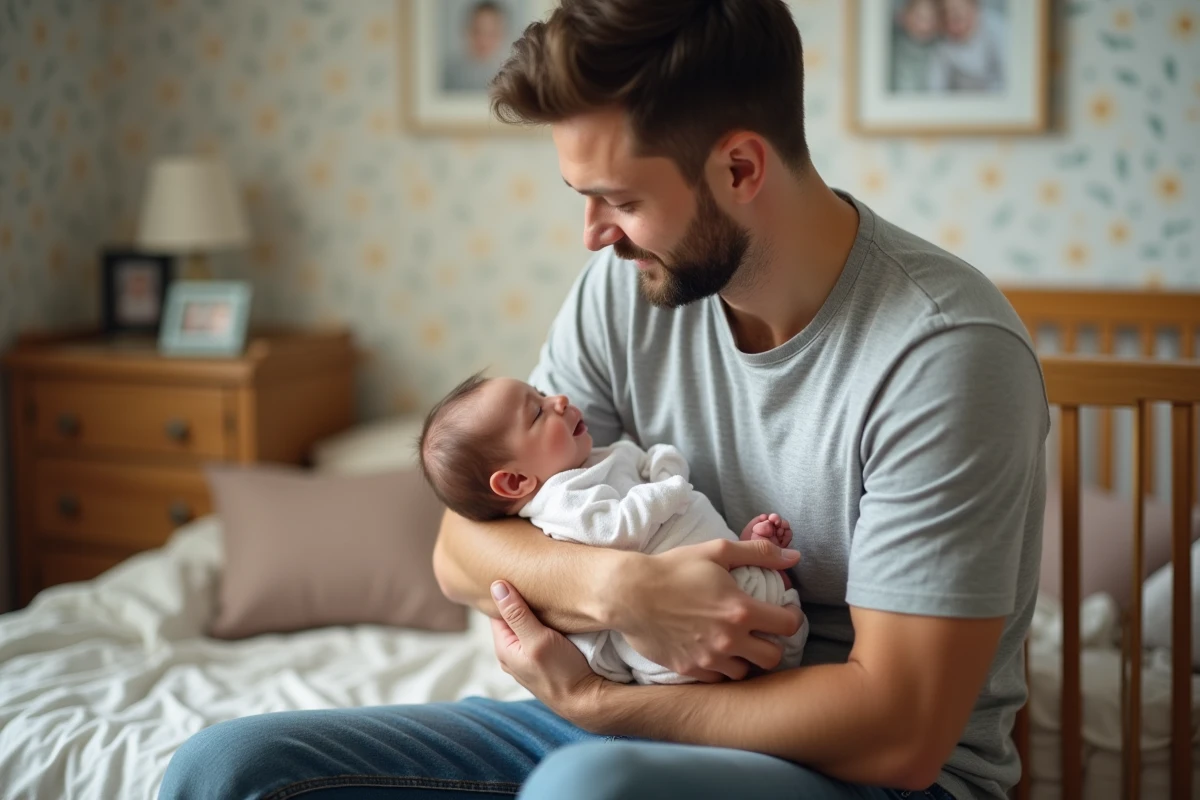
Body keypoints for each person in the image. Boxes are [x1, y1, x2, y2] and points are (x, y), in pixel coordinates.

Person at [158, 1, 1048, 799]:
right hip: (634, 716)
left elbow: (900, 735)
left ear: (740, 168)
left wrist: (598, 704)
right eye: (583, 198)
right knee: (228, 769)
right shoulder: (627, 290)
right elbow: (460, 546)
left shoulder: (944, 353)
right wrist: (620, 590)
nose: (593, 236)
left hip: (847, 766)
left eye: (619, 199)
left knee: (591, 787)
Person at [416, 373, 807, 685]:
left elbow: (638, 466)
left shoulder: (592, 459)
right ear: (516, 481)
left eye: (542, 393)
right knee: (762, 624)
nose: (558, 400)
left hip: (710, 584)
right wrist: (666, 486)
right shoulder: (560, 501)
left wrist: (656, 466)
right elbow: (617, 528)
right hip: (677, 641)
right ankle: (761, 583)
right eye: (537, 413)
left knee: (763, 603)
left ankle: (756, 565)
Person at [926, 0, 1007, 93]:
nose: (951, 15)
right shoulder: (942, 42)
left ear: (974, 7)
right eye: (944, 12)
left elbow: (1008, 78)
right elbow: (936, 86)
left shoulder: (996, 28)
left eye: (956, 10)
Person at [441, 1, 510, 93]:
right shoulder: (449, 73)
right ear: (467, 31)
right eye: (477, 32)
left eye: (491, 34)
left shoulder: (512, 76)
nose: (483, 41)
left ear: (502, 35)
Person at [890, 0, 943, 93]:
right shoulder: (891, 50)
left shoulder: (941, 51)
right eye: (920, 17)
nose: (925, 26)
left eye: (931, 19)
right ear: (903, 16)